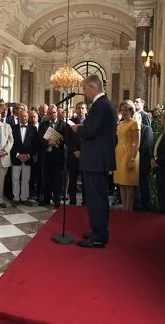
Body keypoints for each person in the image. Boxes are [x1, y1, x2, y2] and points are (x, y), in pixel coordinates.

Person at [70, 75, 117, 248]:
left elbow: (90, 130)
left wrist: (77, 128)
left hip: (95, 160)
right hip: (98, 159)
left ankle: (99, 236)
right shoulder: (105, 105)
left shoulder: (100, 106)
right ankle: (98, 231)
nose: (83, 92)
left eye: (84, 89)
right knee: (98, 197)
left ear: (91, 88)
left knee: (96, 198)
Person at [38, 105, 68, 208]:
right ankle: (46, 199)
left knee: (57, 180)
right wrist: (48, 143)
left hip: (57, 157)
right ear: (47, 114)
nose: (52, 115)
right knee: (46, 179)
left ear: (57, 113)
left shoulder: (63, 124)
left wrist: (57, 141)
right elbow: (40, 138)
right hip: (46, 156)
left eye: (54, 113)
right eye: (50, 113)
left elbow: (65, 139)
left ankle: (57, 200)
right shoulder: (43, 124)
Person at [113, 100, 140, 211]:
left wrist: (132, 159)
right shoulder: (121, 123)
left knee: (128, 184)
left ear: (131, 110)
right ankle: (124, 208)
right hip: (119, 153)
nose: (124, 112)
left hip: (130, 153)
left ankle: (129, 210)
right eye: (122, 110)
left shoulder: (134, 123)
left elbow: (136, 142)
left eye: (126, 110)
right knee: (121, 184)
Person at [9, 110, 37, 206]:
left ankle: (24, 198)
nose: (24, 118)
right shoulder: (13, 128)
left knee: (26, 179)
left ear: (28, 117)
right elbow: (10, 144)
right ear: (19, 117)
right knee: (15, 179)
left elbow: (35, 145)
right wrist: (17, 155)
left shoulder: (33, 129)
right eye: (22, 116)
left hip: (28, 158)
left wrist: (28, 155)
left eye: (25, 116)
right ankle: (15, 198)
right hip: (16, 158)